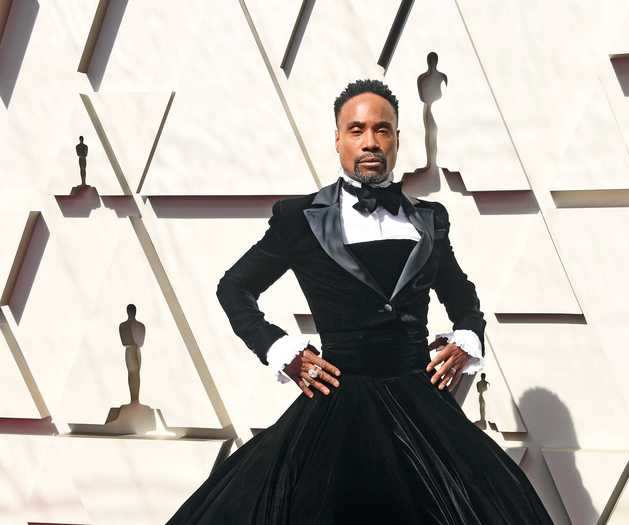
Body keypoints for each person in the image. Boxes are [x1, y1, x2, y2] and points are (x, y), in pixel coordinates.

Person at [165, 79, 553, 524]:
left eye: (382, 130)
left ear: (397, 139)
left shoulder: (429, 219)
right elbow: (234, 288)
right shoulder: (299, 218)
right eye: (356, 129)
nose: (370, 141)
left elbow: (461, 294)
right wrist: (281, 351)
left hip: (422, 407)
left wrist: (468, 336)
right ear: (337, 139)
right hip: (336, 405)